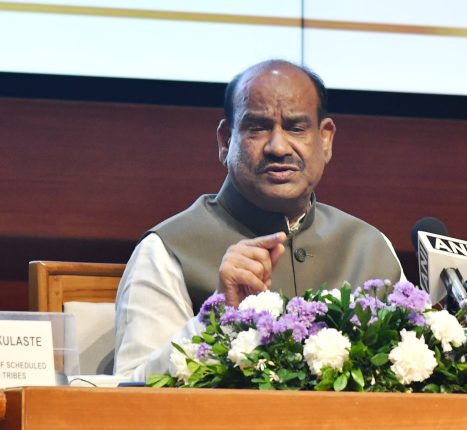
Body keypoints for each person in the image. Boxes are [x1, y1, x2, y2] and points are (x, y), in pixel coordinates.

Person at [113, 60, 403, 381]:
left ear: (325, 139)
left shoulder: (369, 247)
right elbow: (128, 389)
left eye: (296, 128)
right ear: (226, 140)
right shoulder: (167, 250)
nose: (278, 147)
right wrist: (217, 316)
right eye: (257, 128)